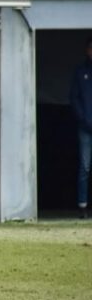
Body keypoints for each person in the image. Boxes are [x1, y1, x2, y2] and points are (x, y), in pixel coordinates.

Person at [70, 37, 92, 219]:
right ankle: (82, 205)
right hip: (85, 127)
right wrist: (83, 119)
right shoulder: (81, 72)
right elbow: (74, 98)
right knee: (84, 167)